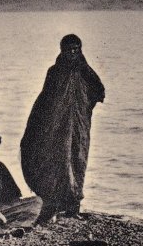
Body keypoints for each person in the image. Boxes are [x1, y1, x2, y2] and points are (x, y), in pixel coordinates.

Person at [20, 34, 105, 225]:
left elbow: (99, 90)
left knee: (77, 161)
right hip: (56, 127)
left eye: (76, 49)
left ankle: (73, 206)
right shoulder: (54, 72)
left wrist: (83, 105)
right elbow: (45, 99)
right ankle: (54, 204)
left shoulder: (85, 71)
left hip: (78, 128)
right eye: (69, 49)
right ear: (62, 50)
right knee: (56, 162)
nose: (72, 53)